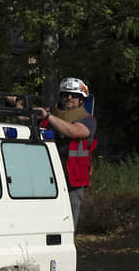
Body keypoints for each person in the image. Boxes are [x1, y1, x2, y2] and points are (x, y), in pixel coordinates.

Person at [32, 77, 97, 228]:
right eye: (65, 94)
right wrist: (15, 104)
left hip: (72, 182)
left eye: (74, 96)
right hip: (46, 180)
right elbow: (25, 116)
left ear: (81, 100)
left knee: (68, 225)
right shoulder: (47, 115)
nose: (69, 98)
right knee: (43, 223)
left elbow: (73, 131)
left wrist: (47, 116)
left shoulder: (89, 120)